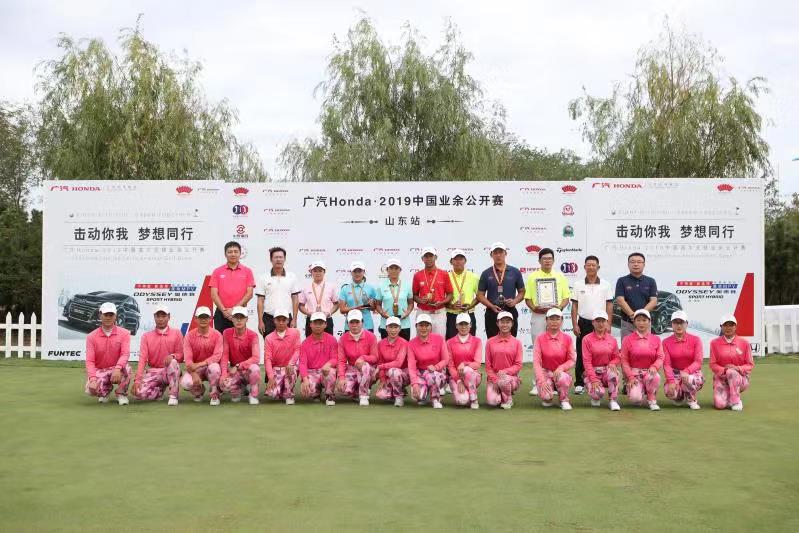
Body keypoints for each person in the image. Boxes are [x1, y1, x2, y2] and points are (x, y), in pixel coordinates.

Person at [524, 247, 570, 395]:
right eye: (544, 259)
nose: (547, 261)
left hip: (555, 316)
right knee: (538, 349)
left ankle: (556, 383)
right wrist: (535, 308)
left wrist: (559, 308)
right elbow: (528, 299)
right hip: (539, 316)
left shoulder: (560, 276)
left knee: (557, 350)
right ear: (539, 261)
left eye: (550, 258)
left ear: (553, 260)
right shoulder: (532, 277)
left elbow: (566, 297)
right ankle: (537, 383)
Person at [570, 255, 614, 395]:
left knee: (602, 352)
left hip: (601, 322)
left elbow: (609, 304)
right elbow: (574, 306)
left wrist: (609, 323)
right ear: (584, 267)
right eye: (588, 265)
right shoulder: (578, 284)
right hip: (583, 322)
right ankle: (579, 383)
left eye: (593, 265)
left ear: (598, 267)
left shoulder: (606, 284)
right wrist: (575, 324)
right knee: (581, 353)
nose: (590, 267)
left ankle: (603, 379)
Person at [133, 305, 183, 406]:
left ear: (169, 317)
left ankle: (173, 396)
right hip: (154, 371)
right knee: (139, 393)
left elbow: (181, 355)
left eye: (163, 316)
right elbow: (142, 359)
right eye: (158, 316)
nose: (160, 319)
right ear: (154, 317)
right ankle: (159, 390)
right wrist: (137, 380)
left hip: (169, 371)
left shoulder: (177, 333)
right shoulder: (146, 336)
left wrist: (173, 356)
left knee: (173, 362)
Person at [84, 302, 132, 405]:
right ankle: (105, 391)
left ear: (115, 316)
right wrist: (93, 380)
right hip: (101, 370)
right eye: (106, 314)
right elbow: (90, 361)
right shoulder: (91, 336)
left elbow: (125, 354)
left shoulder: (124, 333)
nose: (108, 317)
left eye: (111, 315)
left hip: (117, 369)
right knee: (90, 390)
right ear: (100, 315)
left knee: (127, 368)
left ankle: (121, 393)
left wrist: (118, 368)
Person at [477, 242, 526, 338]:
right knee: (492, 342)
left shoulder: (515, 272)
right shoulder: (486, 273)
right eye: (495, 253)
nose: (498, 255)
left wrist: (515, 301)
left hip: (510, 311)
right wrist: (491, 306)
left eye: (501, 252)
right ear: (491, 255)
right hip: (492, 313)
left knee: (511, 342)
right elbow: (480, 295)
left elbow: (522, 292)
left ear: (505, 253)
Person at [533, 308, 576, 410]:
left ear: (562, 321)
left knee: (563, 378)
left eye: (557, 319)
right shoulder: (540, 338)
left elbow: (572, 360)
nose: (554, 322)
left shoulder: (567, 338)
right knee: (546, 398)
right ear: (546, 320)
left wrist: (561, 368)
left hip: (561, 373)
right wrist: (542, 381)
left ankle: (564, 400)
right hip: (546, 372)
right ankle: (549, 394)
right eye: (551, 319)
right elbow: (537, 362)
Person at [620, 309, 663, 411]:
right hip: (634, 375)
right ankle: (640, 390)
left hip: (649, 373)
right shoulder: (627, 339)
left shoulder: (656, 339)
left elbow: (660, 357)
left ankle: (651, 398)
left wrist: (654, 366)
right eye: (638, 320)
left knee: (655, 377)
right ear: (634, 322)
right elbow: (624, 361)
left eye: (644, 320)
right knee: (636, 399)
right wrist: (630, 377)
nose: (641, 323)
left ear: (649, 321)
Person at [709, 314, 754, 411]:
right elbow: (713, 364)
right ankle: (728, 395)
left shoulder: (744, 343)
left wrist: (737, 368)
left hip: (740, 379)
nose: (728, 328)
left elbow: (750, 365)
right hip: (722, 378)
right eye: (725, 325)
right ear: (721, 327)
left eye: (731, 325)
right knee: (720, 405)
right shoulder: (714, 343)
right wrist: (724, 369)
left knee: (731, 372)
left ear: (735, 326)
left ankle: (736, 401)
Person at [209, 241, 255, 334]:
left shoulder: (247, 271)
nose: (233, 254)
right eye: (230, 252)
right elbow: (214, 294)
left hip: (240, 314)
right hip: (221, 313)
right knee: (221, 340)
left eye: (235, 251)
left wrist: (234, 309)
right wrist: (224, 311)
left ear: (240, 253)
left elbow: (249, 293)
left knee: (239, 340)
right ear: (225, 254)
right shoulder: (217, 271)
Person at [180, 306, 223, 405]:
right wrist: (194, 374)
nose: (203, 320)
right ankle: (199, 391)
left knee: (215, 368)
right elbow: (188, 359)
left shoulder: (217, 335)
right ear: (196, 319)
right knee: (186, 383)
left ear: (210, 319)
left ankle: (215, 394)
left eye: (206, 317)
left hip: (210, 367)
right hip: (196, 369)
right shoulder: (189, 336)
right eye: (201, 317)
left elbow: (217, 356)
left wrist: (199, 364)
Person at [336, 309, 379, 406]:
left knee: (365, 366)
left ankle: (364, 395)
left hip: (369, 369)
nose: (354, 325)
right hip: (352, 369)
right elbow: (341, 361)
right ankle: (356, 391)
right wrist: (341, 378)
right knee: (344, 390)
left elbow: (375, 357)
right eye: (351, 322)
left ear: (362, 322)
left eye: (357, 322)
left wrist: (363, 358)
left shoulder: (371, 337)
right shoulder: (343, 339)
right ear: (348, 324)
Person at [662, 310, 704, 409]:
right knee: (670, 392)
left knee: (689, 379)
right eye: (675, 322)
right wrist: (671, 381)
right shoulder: (666, 342)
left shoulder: (696, 340)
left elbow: (698, 361)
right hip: (675, 373)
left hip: (692, 373)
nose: (679, 325)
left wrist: (686, 371)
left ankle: (691, 398)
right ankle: (680, 396)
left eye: (681, 322)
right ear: (672, 324)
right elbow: (667, 364)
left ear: (686, 324)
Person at [219, 307, 261, 405]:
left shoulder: (253, 335)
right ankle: (238, 390)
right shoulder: (226, 333)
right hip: (234, 370)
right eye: (236, 317)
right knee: (224, 386)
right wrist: (224, 374)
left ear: (247, 319)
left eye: (242, 317)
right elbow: (224, 356)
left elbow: (256, 358)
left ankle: (253, 394)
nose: (239, 320)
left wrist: (238, 366)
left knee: (255, 369)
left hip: (247, 369)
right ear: (232, 319)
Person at [256, 246, 301, 337]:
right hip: (269, 319)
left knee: (288, 344)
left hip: (286, 318)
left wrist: (294, 319)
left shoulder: (292, 277)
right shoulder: (263, 278)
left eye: (281, 257)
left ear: (284, 259)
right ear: (271, 259)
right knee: (269, 344)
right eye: (276, 257)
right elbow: (260, 301)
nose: (278, 260)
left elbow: (295, 299)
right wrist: (260, 321)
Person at [581, 310, 622, 411]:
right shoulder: (586, 339)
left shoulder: (612, 339)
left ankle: (613, 400)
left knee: (613, 374)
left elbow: (617, 357)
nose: (600, 324)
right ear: (593, 322)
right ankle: (595, 396)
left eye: (603, 321)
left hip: (607, 370)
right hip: (592, 371)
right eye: (597, 321)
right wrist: (593, 379)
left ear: (607, 322)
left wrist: (612, 363)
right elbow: (587, 362)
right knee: (597, 394)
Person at [407, 314, 450, 408]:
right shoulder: (411, 343)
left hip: (437, 374)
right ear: (416, 326)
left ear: (431, 327)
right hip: (421, 374)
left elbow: (446, 359)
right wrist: (414, 384)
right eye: (421, 325)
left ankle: (435, 399)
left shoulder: (439, 339)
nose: (424, 328)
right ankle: (425, 394)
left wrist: (436, 367)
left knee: (432, 376)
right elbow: (411, 366)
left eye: (427, 325)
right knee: (418, 397)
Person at [615, 252, 657, 341]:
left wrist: (640, 315)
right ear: (628, 264)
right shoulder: (622, 281)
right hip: (627, 323)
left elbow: (653, 301)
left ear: (644, 264)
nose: (636, 264)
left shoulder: (651, 281)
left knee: (645, 347)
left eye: (639, 262)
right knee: (627, 348)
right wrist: (632, 315)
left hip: (645, 323)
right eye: (633, 262)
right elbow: (620, 300)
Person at [484, 311, 523, 409]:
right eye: (502, 322)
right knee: (492, 402)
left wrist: (505, 371)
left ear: (512, 324)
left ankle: (508, 399)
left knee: (504, 380)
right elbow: (488, 366)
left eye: (507, 322)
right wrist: (495, 379)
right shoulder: (490, 342)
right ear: (497, 323)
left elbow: (518, 365)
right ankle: (502, 393)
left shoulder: (517, 343)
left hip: (510, 378)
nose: (505, 325)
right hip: (494, 378)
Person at [412, 247, 453, 337]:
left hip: (439, 313)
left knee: (439, 340)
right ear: (422, 259)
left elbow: (450, 294)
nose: (429, 259)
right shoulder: (417, 275)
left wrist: (442, 302)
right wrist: (420, 300)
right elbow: (414, 295)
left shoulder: (444, 274)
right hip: (423, 312)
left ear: (436, 257)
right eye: (426, 256)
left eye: (431, 256)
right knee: (421, 340)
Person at [299, 312, 339, 406]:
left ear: (325, 324)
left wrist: (328, 364)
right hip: (312, 372)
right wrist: (305, 380)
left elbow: (335, 358)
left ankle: (329, 395)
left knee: (331, 372)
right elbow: (302, 363)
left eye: (320, 323)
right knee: (308, 391)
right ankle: (316, 393)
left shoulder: (332, 340)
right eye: (315, 323)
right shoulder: (305, 343)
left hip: (326, 371)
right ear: (310, 324)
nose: (318, 326)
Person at [264, 309, 302, 405]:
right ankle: (282, 390)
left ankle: (289, 395)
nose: (281, 322)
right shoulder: (268, 338)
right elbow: (267, 359)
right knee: (272, 393)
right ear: (274, 320)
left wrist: (291, 363)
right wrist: (270, 377)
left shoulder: (295, 332)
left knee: (291, 370)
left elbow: (297, 349)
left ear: (288, 320)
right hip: (276, 369)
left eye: (283, 320)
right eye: (278, 320)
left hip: (290, 367)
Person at [446, 313, 482, 409]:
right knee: (462, 401)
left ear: (470, 325)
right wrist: (458, 380)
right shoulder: (449, 342)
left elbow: (477, 364)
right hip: (456, 377)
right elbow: (450, 366)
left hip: (472, 376)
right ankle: (467, 393)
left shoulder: (477, 341)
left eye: (466, 324)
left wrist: (465, 364)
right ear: (456, 326)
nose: (463, 327)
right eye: (461, 324)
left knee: (467, 370)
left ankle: (474, 399)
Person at [374, 317, 410, 407]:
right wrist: (382, 380)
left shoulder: (404, 343)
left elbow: (398, 363)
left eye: (396, 327)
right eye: (390, 327)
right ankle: (398, 390)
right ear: (386, 328)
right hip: (389, 375)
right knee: (381, 395)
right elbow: (380, 362)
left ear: (400, 328)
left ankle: (399, 397)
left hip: (404, 374)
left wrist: (380, 367)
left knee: (393, 371)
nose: (393, 330)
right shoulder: (380, 344)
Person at [375, 258, 414, 340]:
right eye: (391, 268)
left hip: (403, 324)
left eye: (396, 268)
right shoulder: (381, 286)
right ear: (387, 270)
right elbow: (378, 304)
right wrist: (382, 313)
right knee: (386, 347)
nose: (394, 271)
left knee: (404, 347)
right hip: (387, 324)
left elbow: (411, 303)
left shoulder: (407, 285)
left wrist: (407, 312)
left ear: (400, 270)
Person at [298, 260, 338, 336]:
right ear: (311, 272)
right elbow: (301, 305)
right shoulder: (305, 287)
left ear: (324, 272)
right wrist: (308, 313)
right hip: (311, 320)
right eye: (315, 271)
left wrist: (329, 313)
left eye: (320, 271)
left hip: (326, 319)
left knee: (328, 342)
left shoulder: (331, 287)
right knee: (310, 342)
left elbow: (336, 304)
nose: (318, 273)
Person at [446, 249, 480, 339]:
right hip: (452, 315)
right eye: (455, 259)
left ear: (465, 261)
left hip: (468, 314)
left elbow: (479, 296)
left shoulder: (473, 276)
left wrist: (469, 306)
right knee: (450, 343)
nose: (458, 261)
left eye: (461, 259)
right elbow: (442, 298)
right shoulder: (446, 276)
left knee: (470, 343)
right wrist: (452, 306)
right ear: (451, 261)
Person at [338, 261, 379, 334]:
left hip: (367, 325)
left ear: (364, 272)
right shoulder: (345, 288)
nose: (357, 274)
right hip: (350, 325)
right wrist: (355, 308)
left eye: (359, 271)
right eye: (355, 271)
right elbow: (342, 309)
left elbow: (374, 308)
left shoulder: (370, 288)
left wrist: (372, 304)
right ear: (351, 272)